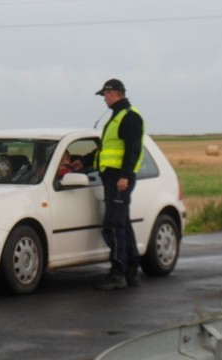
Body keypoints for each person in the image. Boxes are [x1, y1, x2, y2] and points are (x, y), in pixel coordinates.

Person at [73, 78, 145, 291]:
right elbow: (105, 149)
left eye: (104, 95)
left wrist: (124, 176)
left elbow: (132, 149)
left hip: (119, 180)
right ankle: (131, 271)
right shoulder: (116, 117)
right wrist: (83, 162)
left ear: (113, 93)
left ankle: (117, 274)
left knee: (113, 226)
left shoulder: (129, 117)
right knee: (123, 225)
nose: (104, 99)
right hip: (111, 179)